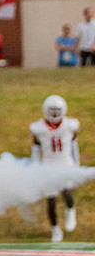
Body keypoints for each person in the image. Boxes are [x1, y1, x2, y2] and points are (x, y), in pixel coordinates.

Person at [30, 95, 80, 242]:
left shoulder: (70, 126)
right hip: (48, 165)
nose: (54, 114)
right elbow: (35, 150)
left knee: (66, 193)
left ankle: (70, 210)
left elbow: (74, 147)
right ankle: (55, 229)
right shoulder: (38, 128)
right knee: (51, 201)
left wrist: (76, 166)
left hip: (65, 163)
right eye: (51, 110)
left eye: (57, 110)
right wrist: (35, 169)